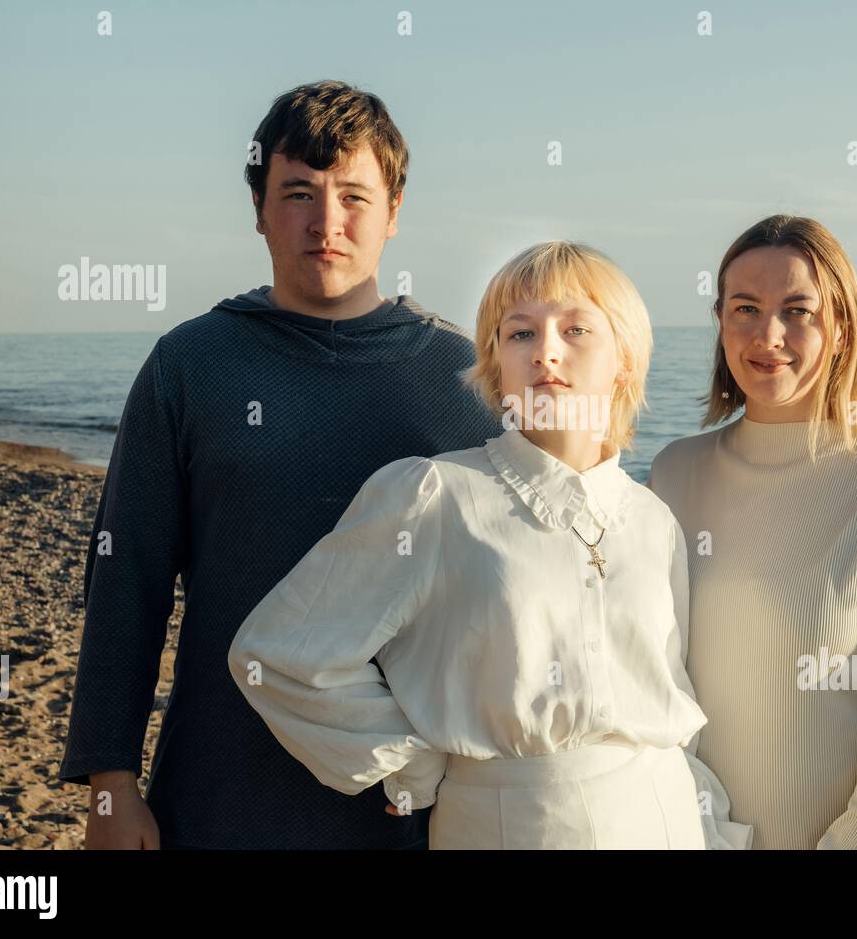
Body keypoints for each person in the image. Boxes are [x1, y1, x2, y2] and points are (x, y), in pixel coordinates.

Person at [58, 80, 501, 849]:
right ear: (259, 209)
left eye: (354, 196)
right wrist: (109, 784)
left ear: (395, 212)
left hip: (413, 803)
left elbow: (519, 596)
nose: (326, 222)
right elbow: (126, 580)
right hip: (223, 784)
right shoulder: (190, 366)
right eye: (299, 192)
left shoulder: (463, 379)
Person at [229, 241, 753, 849]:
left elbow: (670, 693)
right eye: (520, 334)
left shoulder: (652, 518)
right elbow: (282, 655)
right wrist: (408, 760)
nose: (547, 352)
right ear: (496, 363)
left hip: (667, 818)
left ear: (624, 361)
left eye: (576, 329)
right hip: (513, 826)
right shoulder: (436, 495)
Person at [648, 214, 857, 849]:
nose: (769, 335)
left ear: (842, 325)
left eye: (798, 310)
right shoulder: (674, 473)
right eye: (745, 308)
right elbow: (653, 679)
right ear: (720, 322)